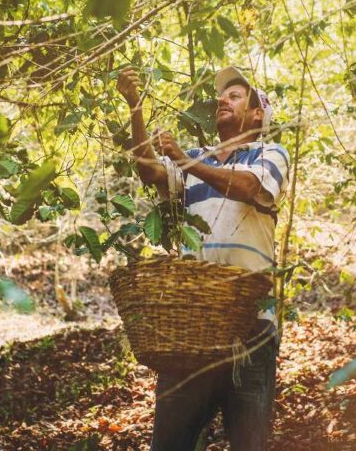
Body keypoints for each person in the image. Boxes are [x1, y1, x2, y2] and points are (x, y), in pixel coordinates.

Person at [116, 65, 291, 451]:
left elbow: (248, 188)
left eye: (235, 95)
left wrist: (186, 160)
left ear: (258, 113)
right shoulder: (195, 157)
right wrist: (136, 108)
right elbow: (150, 173)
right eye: (221, 96)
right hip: (192, 328)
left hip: (252, 329)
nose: (222, 100)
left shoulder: (270, 154)